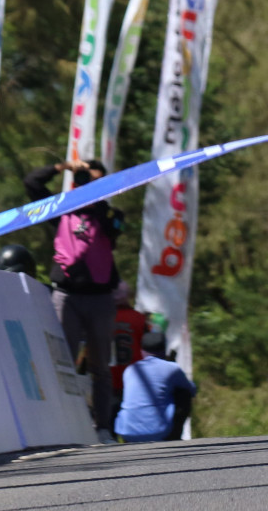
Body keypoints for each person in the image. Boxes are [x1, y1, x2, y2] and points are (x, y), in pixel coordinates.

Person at [24, 158, 123, 439]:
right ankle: (59, 426)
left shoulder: (109, 215)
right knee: (60, 362)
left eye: (95, 181)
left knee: (100, 367)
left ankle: (102, 428)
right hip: (66, 297)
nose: (88, 184)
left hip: (100, 299)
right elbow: (32, 184)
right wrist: (61, 167)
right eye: (84, 179)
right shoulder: (62, 210)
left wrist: (95, 194)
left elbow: (114, 229)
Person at [114, 331, 196, 443]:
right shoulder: (172, 368)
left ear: (141, 350)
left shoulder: (131, 369)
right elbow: (191, 390)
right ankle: (175, 437)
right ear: (164, 349)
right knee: (184, 393)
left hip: (126, 432)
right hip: (158, 431)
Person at [111, 281, 149, 426]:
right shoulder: (139, 318)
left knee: (109, 420)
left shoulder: (103, 317)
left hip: (109, 376)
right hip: (134, 376)